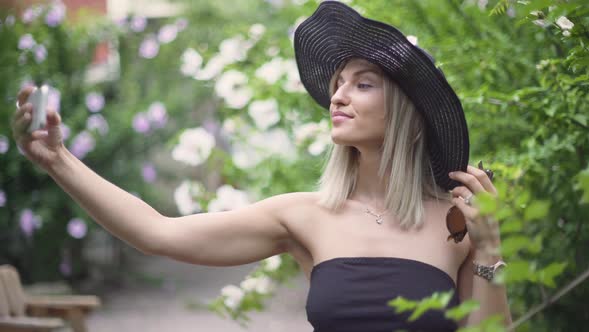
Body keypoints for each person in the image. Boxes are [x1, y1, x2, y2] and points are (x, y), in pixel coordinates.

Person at [10, 1, 511, 331]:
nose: (338, 94)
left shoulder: (458, 225)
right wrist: (58, 161)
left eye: (363, 83)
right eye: (338, 82)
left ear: (406, 110)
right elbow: (157, 233)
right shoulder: (304, 216)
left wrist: (488, 249)